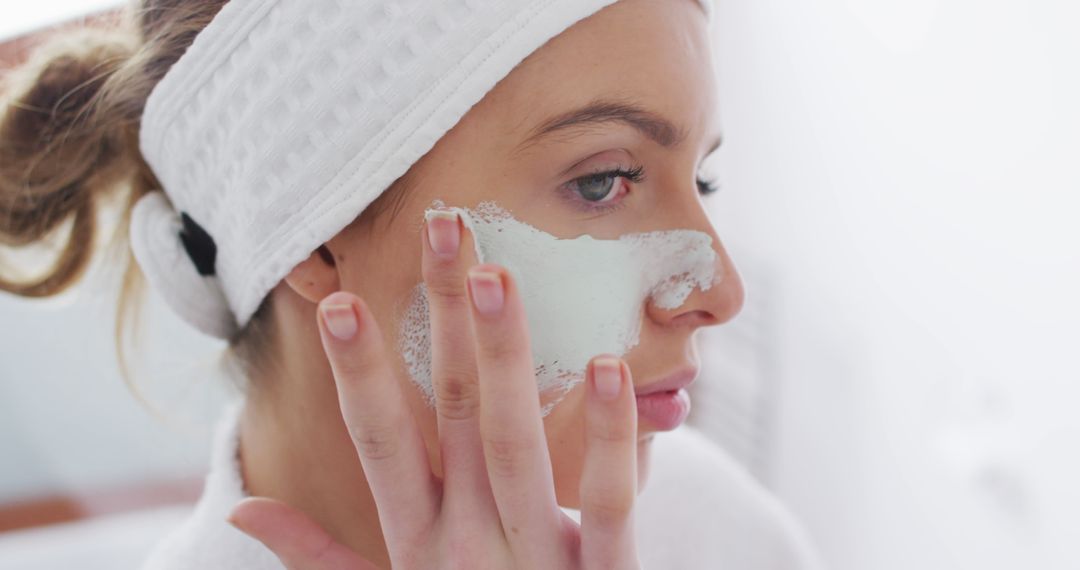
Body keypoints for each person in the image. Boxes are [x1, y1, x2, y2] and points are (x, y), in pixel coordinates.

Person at [0, 0, 826, 568]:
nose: (719, 291)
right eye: (604, 181)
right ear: (317, 240)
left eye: (702, 180)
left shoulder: (717, 526)